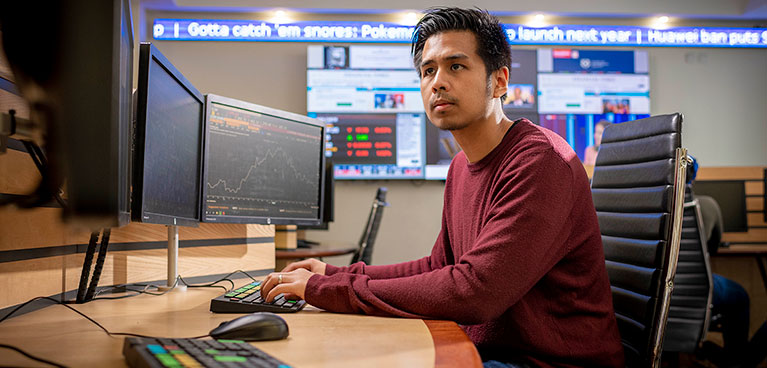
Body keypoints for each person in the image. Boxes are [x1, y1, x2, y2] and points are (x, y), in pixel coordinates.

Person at [260, 8, 624, 367]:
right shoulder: (461, 166)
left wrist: (327, 291)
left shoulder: (540, 161)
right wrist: (331, 275)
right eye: (428, 70)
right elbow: (439, 265)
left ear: (499, 81)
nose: (437, 82)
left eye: (456, 66)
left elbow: (475, 292)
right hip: (493, 350)